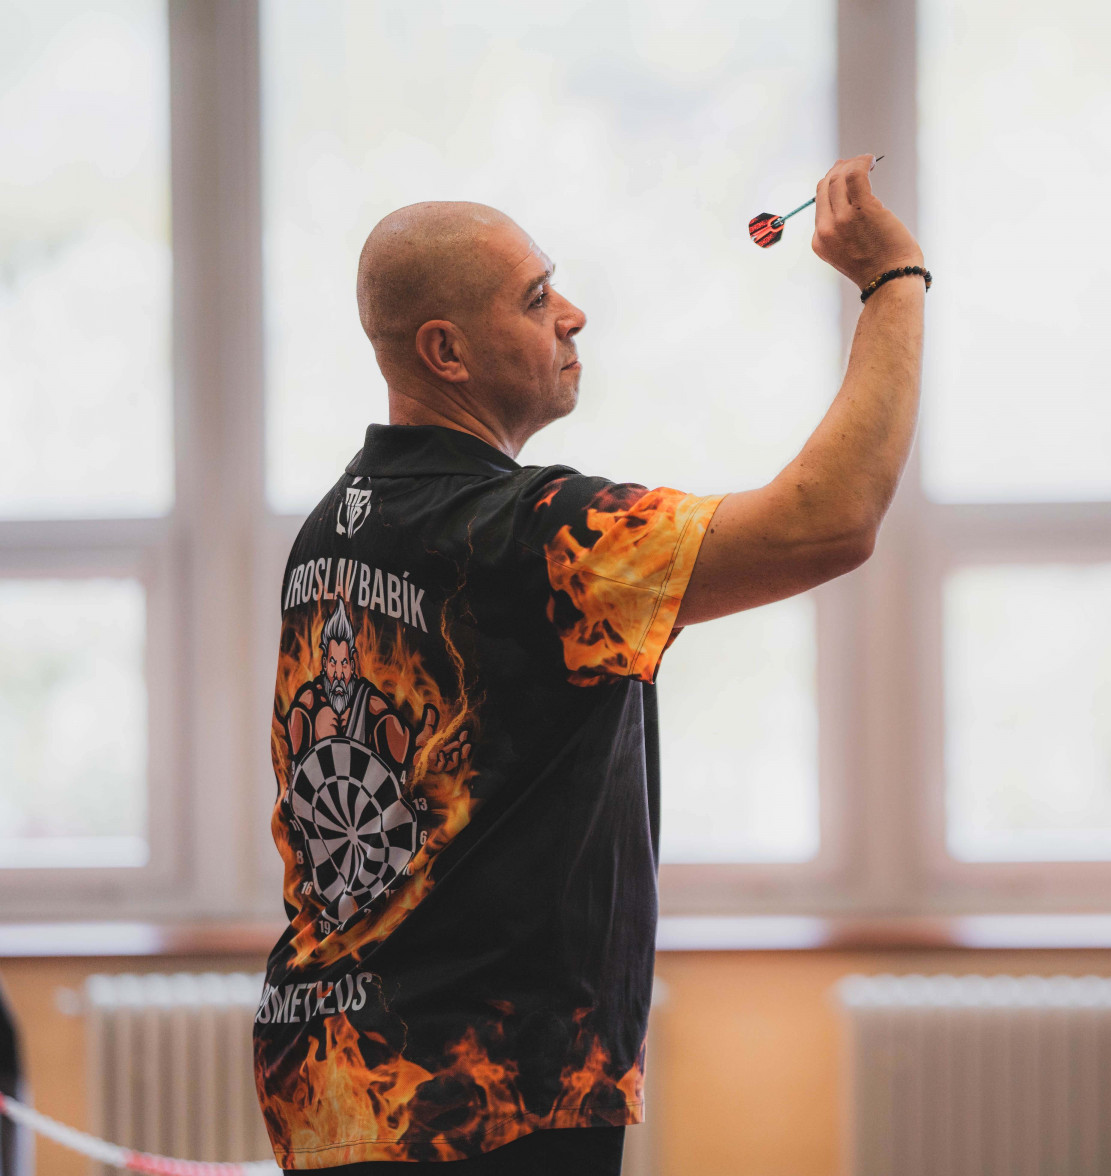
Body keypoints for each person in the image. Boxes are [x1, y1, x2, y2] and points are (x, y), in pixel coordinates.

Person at [254, 155, 925, 1175]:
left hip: (331, 1070)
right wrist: (893, 283)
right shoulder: (526, 535)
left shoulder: (336, 529)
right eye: (535, 300)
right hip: (480, 1093)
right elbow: (828, 521)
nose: (572, 316)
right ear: (446, 351)